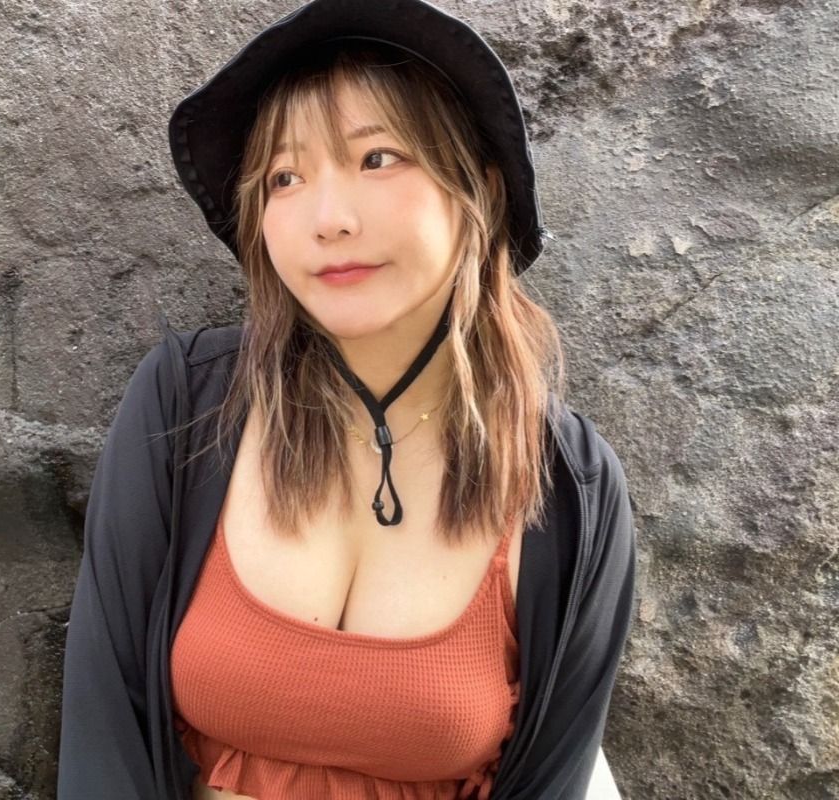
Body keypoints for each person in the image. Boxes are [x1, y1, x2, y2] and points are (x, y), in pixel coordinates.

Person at [58, 1, 637, 798]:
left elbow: (550, 779)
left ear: (480, 189)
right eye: (285, 177)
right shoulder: (185, 405)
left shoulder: (572, 491)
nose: (328, 220)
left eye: (377, 157)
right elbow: (104, 739)